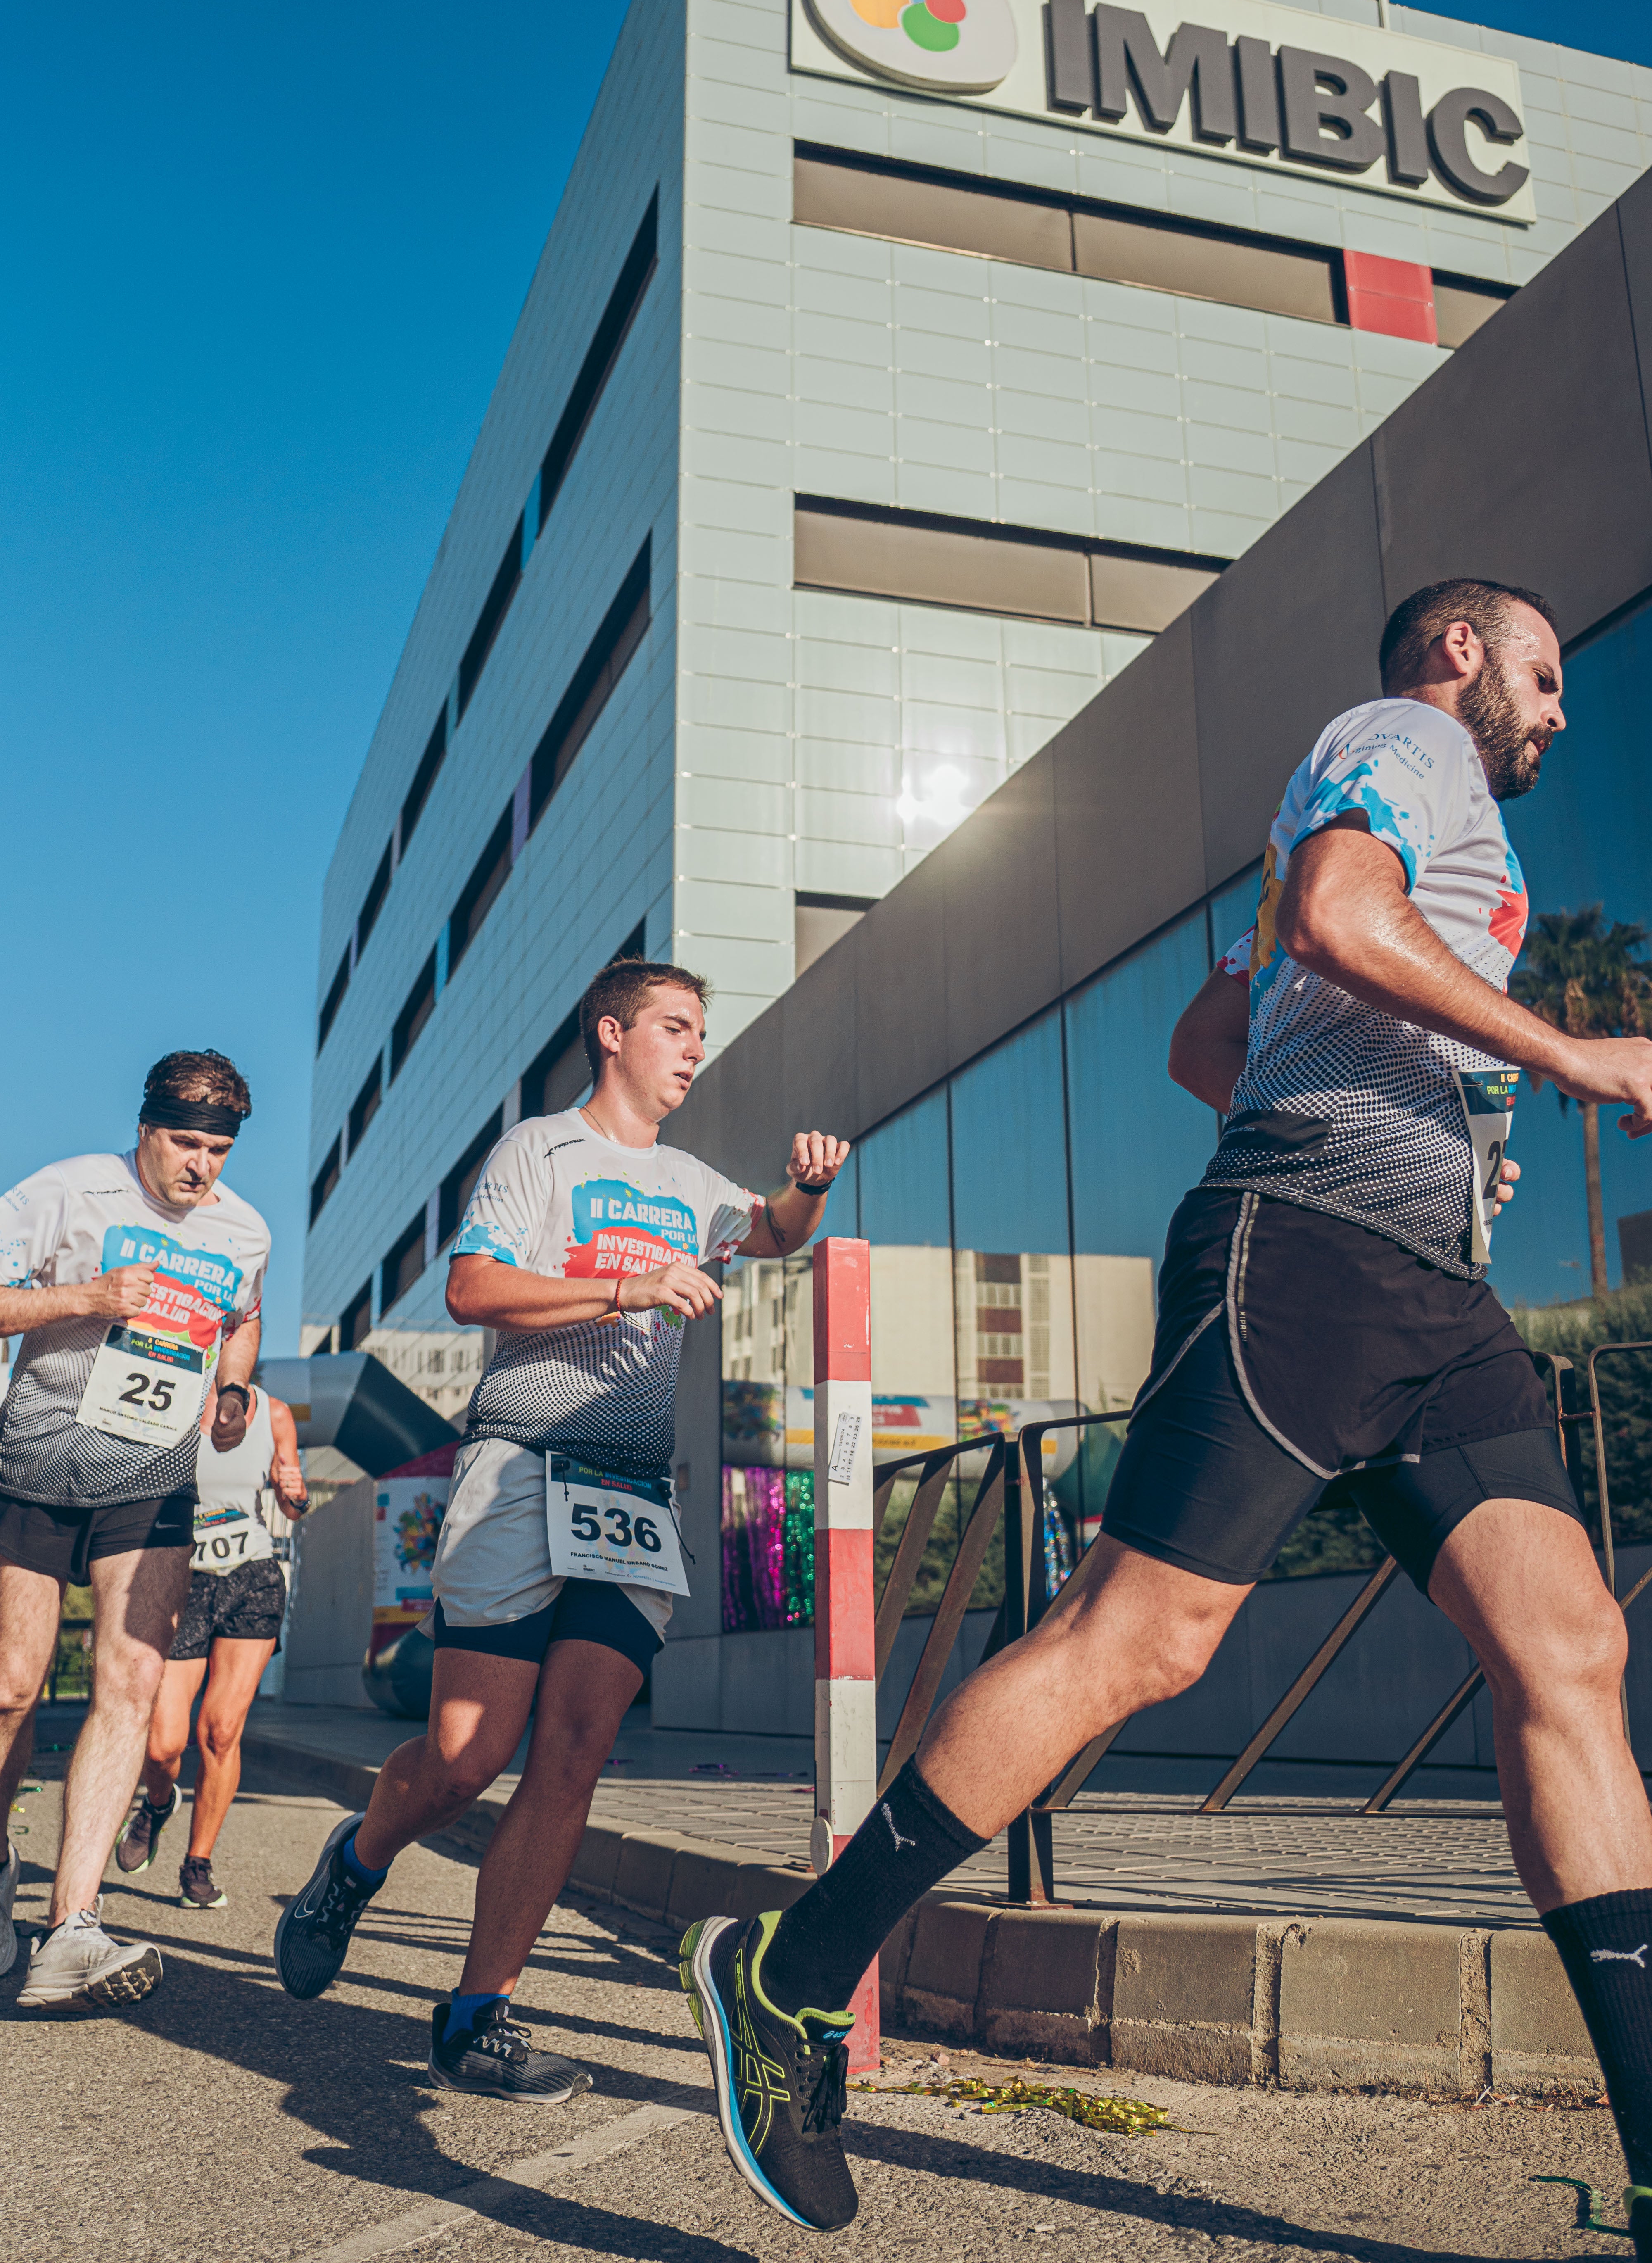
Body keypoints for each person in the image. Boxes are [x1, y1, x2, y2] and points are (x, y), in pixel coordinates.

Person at [680, 577, 1652, 2241]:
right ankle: (791, 1971)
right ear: (1461, 653)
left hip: (1430, 1290)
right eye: (1548, 677)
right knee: (1139, 1641)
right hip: (1309, 1252)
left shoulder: (1416, 802)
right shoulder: (1406, 739)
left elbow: (1221, 1030)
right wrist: (1573, 1060)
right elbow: (1344, 918)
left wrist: (1411, 1112)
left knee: (1568, 1653)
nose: (1558, 714)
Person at [273, 957, 849, 2107]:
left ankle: (477, 2013)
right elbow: (476, 1291)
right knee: (468, 1757)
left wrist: (808, 1189)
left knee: (579, 1747)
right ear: (613, 1033)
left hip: (632, 1496)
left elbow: (776, 1234)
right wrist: (627, 1293)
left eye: (701, 1031)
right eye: (676, 1027)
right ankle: (355, 1862)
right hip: (522, 1469)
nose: (693, 1048)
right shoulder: (539, 1152)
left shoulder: (691, 1181)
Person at [0, 1050, 268, 2011]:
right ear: (147, 1130)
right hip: (34, 1462)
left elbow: (242, 1316)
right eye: (186, 1144)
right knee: (11, 1688)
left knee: (129, 1683)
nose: (202, 1168)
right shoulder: (69, 1192)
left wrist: (233, 1389)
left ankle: (72, 1926)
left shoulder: (243, 1230)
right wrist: (87, 1298)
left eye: (220, 1150)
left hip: (151, 1478)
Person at [117, 1380, 307, 1907]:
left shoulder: (275, 1412)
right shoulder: (166, 1395)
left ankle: (197, 1865)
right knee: (163, 1745)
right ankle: (157, 1805)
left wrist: (296, 1494)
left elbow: (294, 1504)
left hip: (253, 1576)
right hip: (182, 1577)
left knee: (221, 1732)